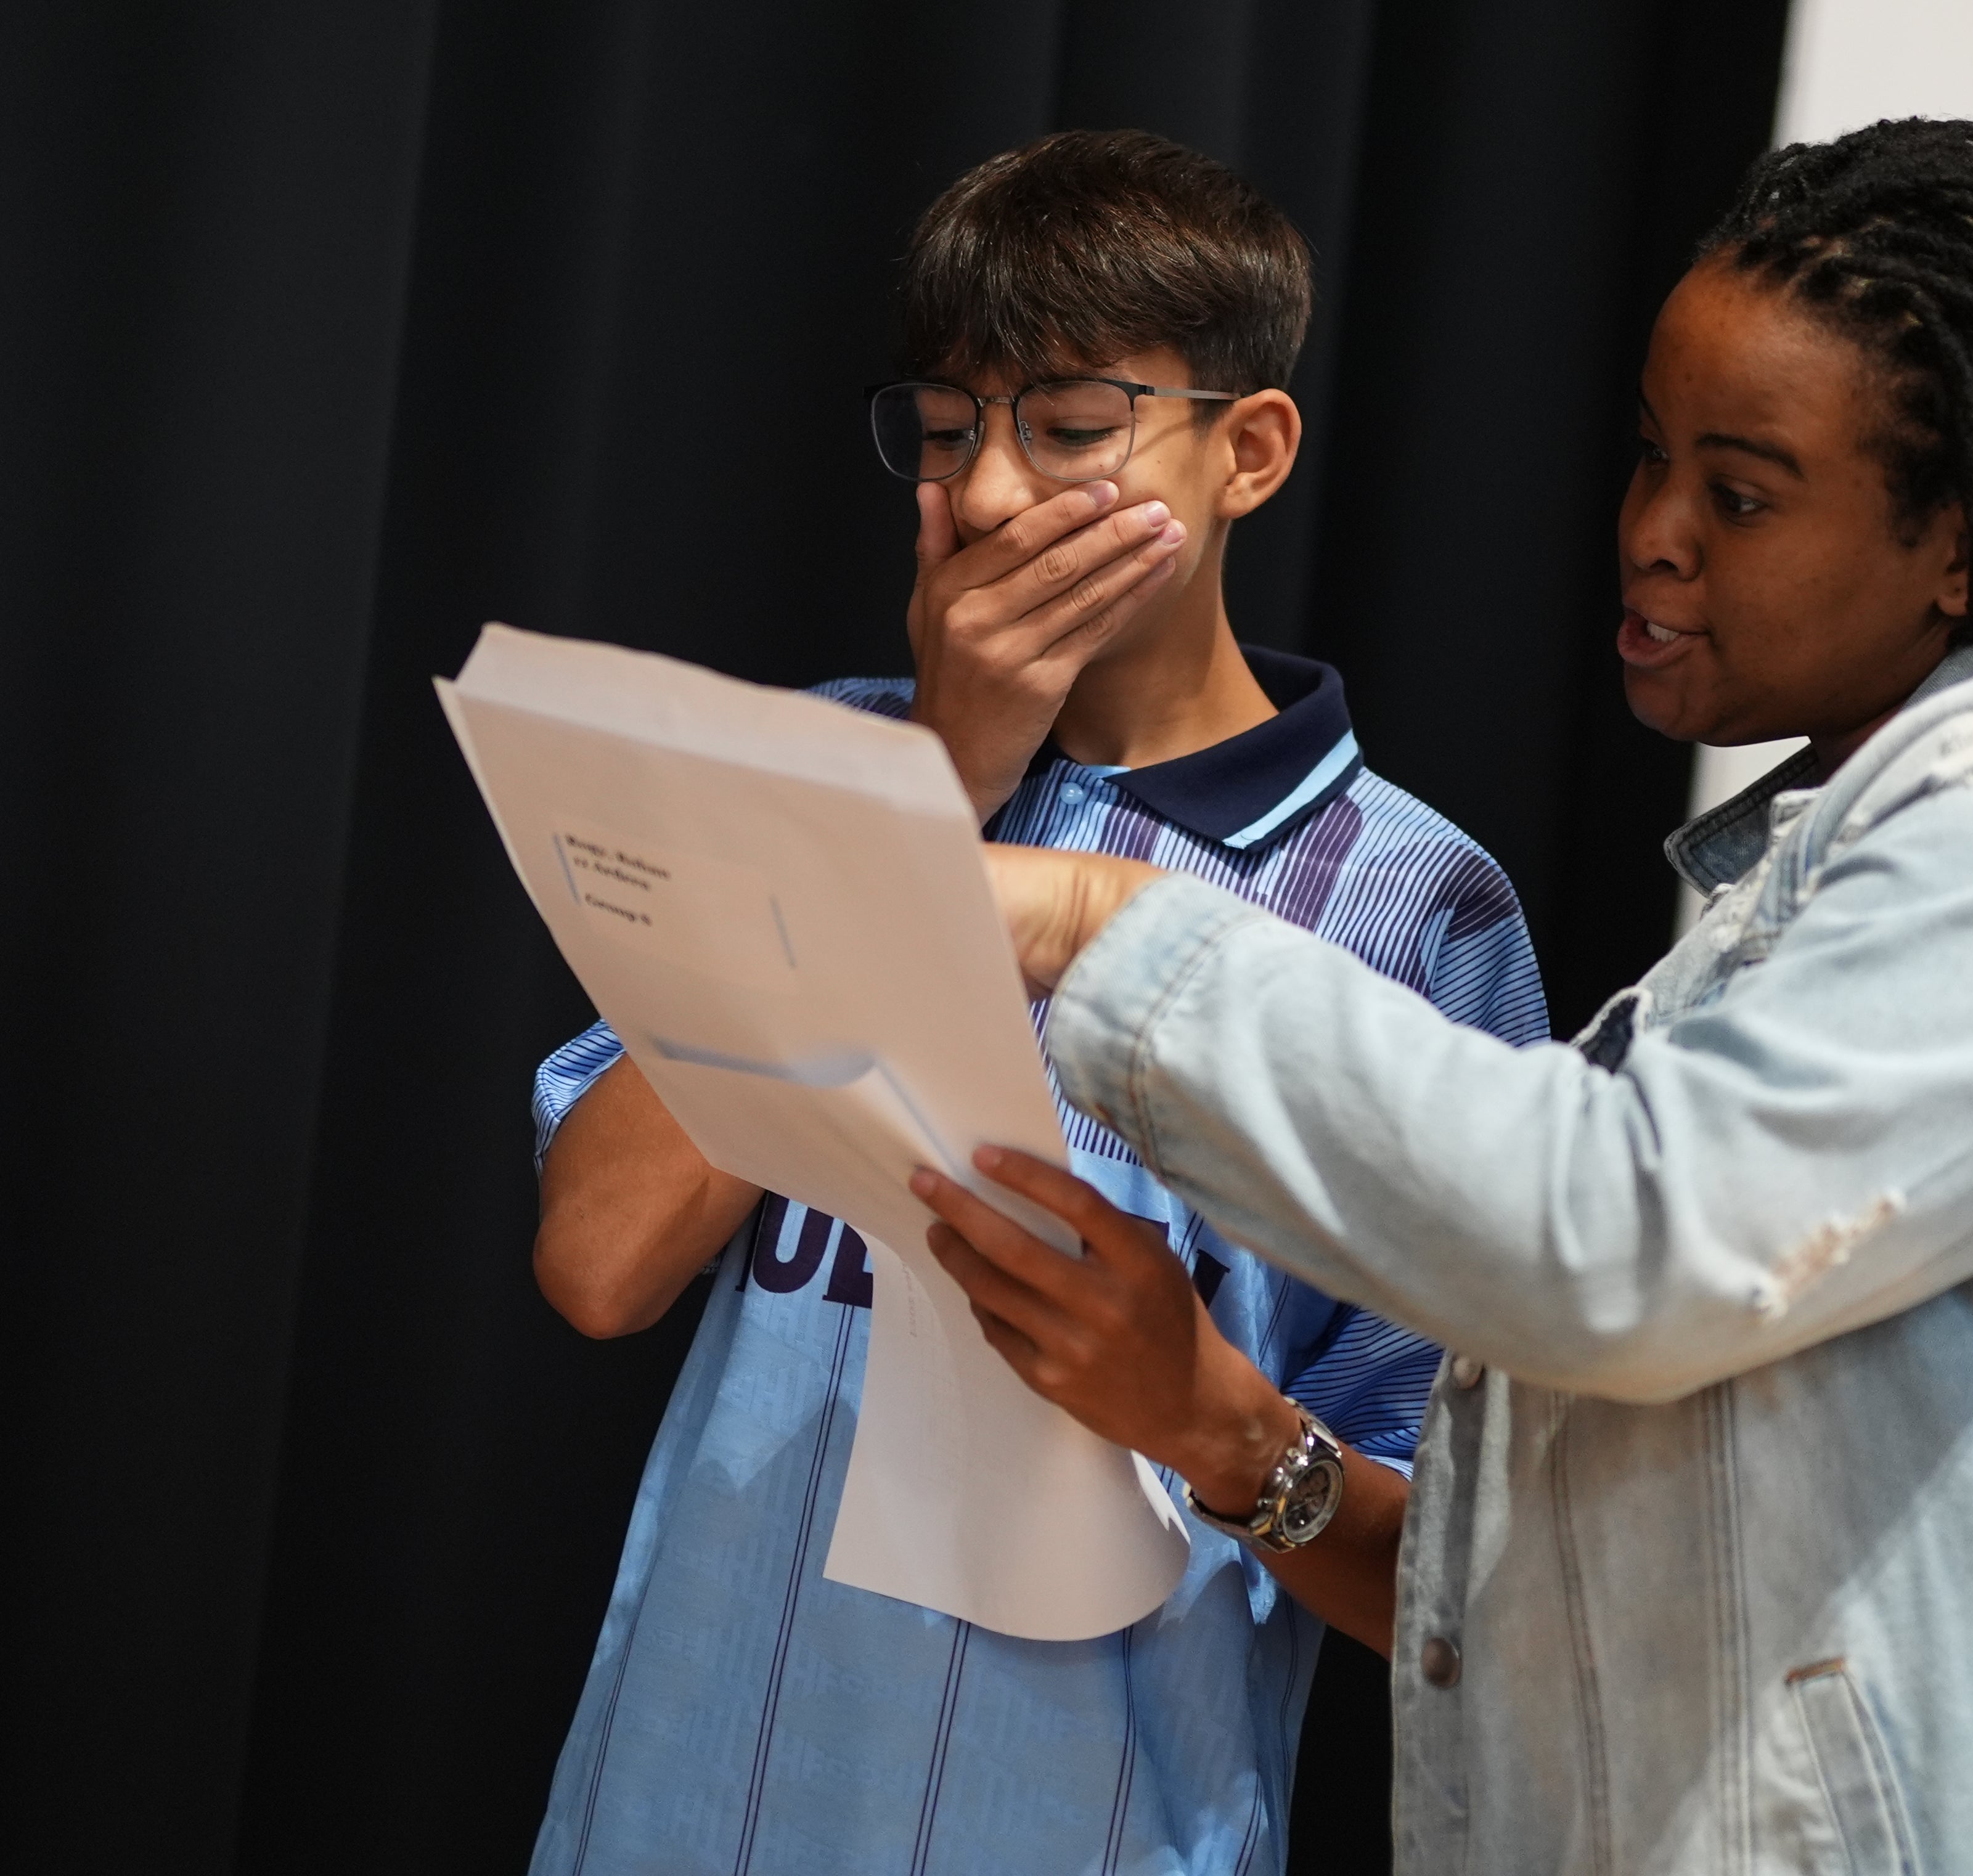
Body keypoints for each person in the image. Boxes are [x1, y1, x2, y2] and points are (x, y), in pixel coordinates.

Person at [926, 117, 1973, 1873]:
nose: (1653, 536)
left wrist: (1097, 917)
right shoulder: (1815, 889)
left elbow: (1621, 1242)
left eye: (1739, 493)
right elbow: (1624, 1585)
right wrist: (1228, 1434)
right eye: (1650, 460)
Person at [525, 131, 1547, 1876]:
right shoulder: (819, 766)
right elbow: (601, 1260)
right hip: (689, 1802)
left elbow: (1457, 1578)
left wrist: (1205, 1410)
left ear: (1252, 452)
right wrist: (933, 773)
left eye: (1071, 431)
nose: (993, 498)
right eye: (947, 432)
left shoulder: (1412, 905)